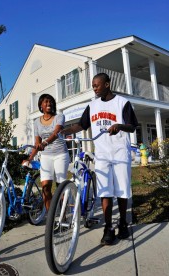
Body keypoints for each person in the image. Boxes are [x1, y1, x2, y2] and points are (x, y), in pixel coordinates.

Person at [60, 72, 138, 246]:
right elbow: (82, 125)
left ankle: (123, 222)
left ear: (107, 84)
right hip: (102, 155)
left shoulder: (122, 103)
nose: (94, 88)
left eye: (97, 85)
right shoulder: (92, 106)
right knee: (105, 192)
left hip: (119, 153)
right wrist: (64, 131)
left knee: (122, 191)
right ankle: (108, 228)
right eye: (93, 85)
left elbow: (133, 126)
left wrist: (119, 126)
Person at [23, 94, 70, 211]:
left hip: (60, 154)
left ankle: (63, 216)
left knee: (60, 186)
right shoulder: (37, 122)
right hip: (46, 156)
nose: (49, 104)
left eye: (50, 102)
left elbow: (56, 132)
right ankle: (51, 218)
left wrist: (45, 143)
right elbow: (37, 143)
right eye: (46, 102)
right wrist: (30, 158)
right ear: (41, 105)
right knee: (45, 187)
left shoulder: (59, 117)